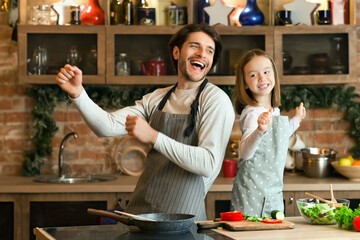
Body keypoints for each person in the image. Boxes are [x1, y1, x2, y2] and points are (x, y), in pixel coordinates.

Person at [56, 24, 235, 221]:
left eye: (209, 51)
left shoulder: (215, 100)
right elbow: (105, 126)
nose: (202, 54)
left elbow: (208, 163)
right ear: (176, 52)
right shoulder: (157, 98)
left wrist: (153, 136)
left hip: (182, 220)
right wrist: (78, 94)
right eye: (195, 46)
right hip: (141, 213)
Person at [230, 49, 306, 217]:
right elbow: (244, 152)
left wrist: (296, 119)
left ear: (274, 75)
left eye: (266, 72)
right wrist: (259, 130)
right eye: (253, 75)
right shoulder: (253, 113)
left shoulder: (273, 110)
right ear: (244, 84)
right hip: (251, 196)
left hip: (271, 192)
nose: (262, 78)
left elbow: (279, 137)